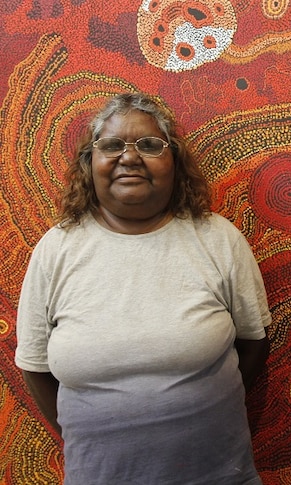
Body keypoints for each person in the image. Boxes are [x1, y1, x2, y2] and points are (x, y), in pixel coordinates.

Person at [15, 93, 272, 484]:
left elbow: (253, 343)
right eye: (112, 145)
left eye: (150, 145)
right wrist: (96, 433)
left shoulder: (218, 240)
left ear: (175, 164)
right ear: (90, 163)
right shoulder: (56, 250)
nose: (130, 157)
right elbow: (35, 366)